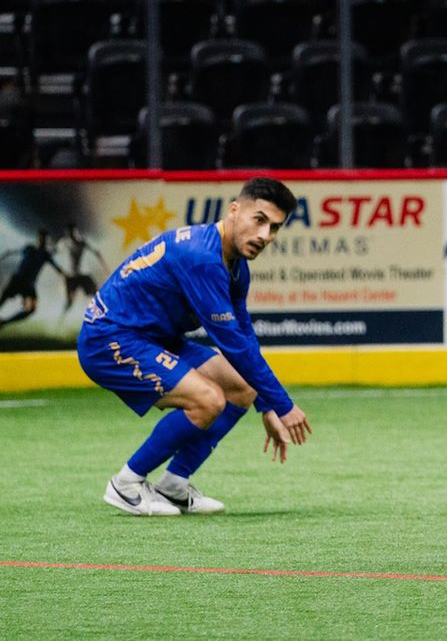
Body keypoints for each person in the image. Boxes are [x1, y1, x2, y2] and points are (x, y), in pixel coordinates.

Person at [77, 177, 312, 516]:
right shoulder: (202, 258)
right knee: (208, 399)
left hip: (155, 338)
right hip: (109, 339)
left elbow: (243, 335)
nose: (265, 236)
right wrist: (284, 405)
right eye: (259, 220)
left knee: (241, 387)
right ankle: (126, 484)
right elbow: (232, 345)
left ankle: (173, 485)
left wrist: (266, 405)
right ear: (234, 210)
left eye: (275, 228)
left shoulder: (235, 265)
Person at [0, 228, 65, 331]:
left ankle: (4, 322)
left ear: (47, 241)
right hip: (18, 280)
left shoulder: (45, 254)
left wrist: (65, 276)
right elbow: (12, 252)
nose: (43, 241)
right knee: (3, 300)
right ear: (38, 239)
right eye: (41, 239)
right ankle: (3, 322)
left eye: (45, 239)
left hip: (29, 284)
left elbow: (57, 268)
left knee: (31, 309)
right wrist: (4, 256)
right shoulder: (30, 249)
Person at [60, 222, 109, 311]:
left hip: (82, 275)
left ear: (76, 232)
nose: (71, 235)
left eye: (73, 232)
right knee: (69, 301)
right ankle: (60, 320)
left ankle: (104, 314)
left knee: (96, 294)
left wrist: (104, 266)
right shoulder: (64, 242)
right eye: (69, 233)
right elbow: (55, 251)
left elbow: (97, 253)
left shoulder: (82, 242)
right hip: (71, 276)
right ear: (67, 233)